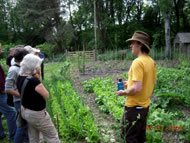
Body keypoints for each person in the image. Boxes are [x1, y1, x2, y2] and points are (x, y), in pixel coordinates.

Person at [117, 31, 157, 143]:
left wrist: (124, 92)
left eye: (133, 43)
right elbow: (152, 81)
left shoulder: (138, 62)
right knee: (140, 136)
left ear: (140, 44)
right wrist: (129, 83)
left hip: (134, 108)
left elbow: (137, 88)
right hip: (144, 107)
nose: (131, 46)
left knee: (129, 137)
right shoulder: (151, 61)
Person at [17, 54, 60, 143]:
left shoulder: (20, 77)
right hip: (36, 114)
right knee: (52, 136)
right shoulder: (33, 81)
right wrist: (38, 77)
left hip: (25, 111)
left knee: (34, 137)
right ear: (34, 66)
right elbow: (46, 95)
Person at [5, 48, 29, 143]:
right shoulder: (13, 69)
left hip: (24, 101)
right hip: (19, 101)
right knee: (22, 126)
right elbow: (8, 88)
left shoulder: (22, 67)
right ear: (23, 57)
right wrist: (21, 95)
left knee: (26, 125)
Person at [0, 43, 17, 141]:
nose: (1, 51)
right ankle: (13, 136)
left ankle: (1, 133)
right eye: (0, 49)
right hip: (0, 92)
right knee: (11, 112)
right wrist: (3, 90)